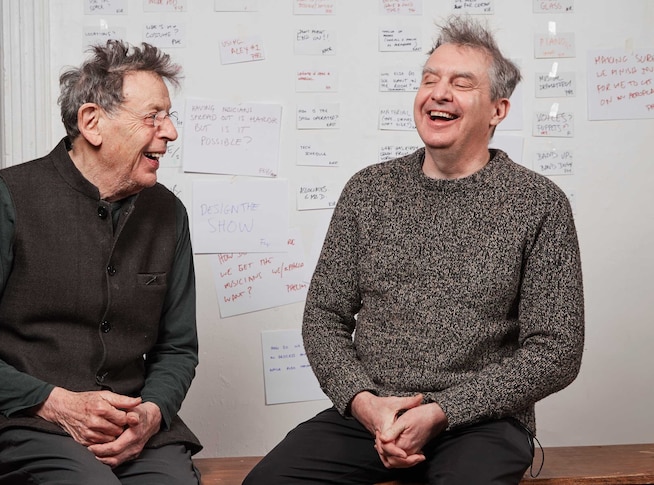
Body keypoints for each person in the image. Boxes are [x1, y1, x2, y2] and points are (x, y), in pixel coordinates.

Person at [243, 15, 584, 485]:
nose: (438, 93)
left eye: (461, 83)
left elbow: (558, 349)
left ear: (497, 110)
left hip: (484, 424)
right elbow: (324, 315)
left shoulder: (539, 203)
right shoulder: (368, 191)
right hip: (373, 415)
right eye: (429, 80)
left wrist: (444, 410)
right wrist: (365, 404)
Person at [0, 39, 202, 485]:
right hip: (28, 422)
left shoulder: (170, 214)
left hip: (132, 428)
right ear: (92, 122)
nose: (169, 132)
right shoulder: (4, 197)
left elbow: (178, 347)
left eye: (168, 116)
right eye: (153, 117)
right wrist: (58, 403)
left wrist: (151, 413)